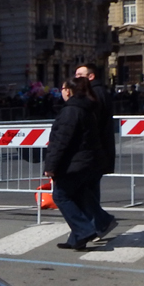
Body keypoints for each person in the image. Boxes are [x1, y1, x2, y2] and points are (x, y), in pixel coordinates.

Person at [44, 76, 103, 250]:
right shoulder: (85, 108)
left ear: (68, 91)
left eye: (62, 89)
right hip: (86, 162)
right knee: (78, 196)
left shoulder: (71, 111)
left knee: (60, 196)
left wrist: (51, 167)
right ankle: (77, 239)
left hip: (74, 163)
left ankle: (84, 231)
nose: (61, 92)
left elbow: (62, 141)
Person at [74, 63, 117, 239]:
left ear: (90, 77)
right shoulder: (98, 92)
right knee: (89, 189)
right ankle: (94, 226)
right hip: (98, 150)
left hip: (93, 151)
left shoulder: (94, 94)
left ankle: (99, 222)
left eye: (79, 75)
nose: (75, 78)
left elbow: (92, 124)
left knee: (81, 188)